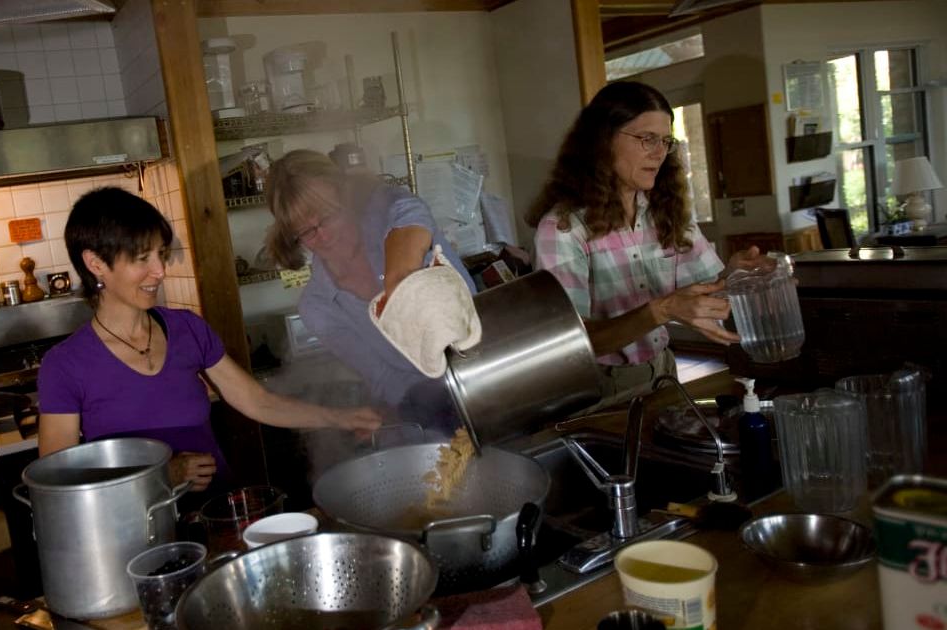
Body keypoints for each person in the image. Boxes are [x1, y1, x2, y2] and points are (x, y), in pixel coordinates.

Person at [36, 187, 381, 497]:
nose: (160, 271)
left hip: (218, 515)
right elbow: (59, 480)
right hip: (139, 543)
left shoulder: (187, 329)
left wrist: (342, 418)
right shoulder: (65, 365)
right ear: (95, 263)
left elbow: (257, 402)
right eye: (142, 259)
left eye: (161, 254)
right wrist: (159, 476)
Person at [528, 81, 769, 405]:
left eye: (665, 141)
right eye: (647, 139)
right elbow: (573, 342)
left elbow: (702, 294)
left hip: (663, 369)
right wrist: (662, 309)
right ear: (601, 141)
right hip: (597, 389)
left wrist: (736, 276)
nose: (659, 152)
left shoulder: (664, 212)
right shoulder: (563, 229)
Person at [264, 149, 477, 428]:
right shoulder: (317, 307)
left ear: (346, 198)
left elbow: (411, 216)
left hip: (487, 358)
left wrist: (398, 281)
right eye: (307, 232)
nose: (324, 236)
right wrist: (425, 408)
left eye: (327, 216)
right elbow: (383, 378)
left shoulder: (390, 211)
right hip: (429, 407)